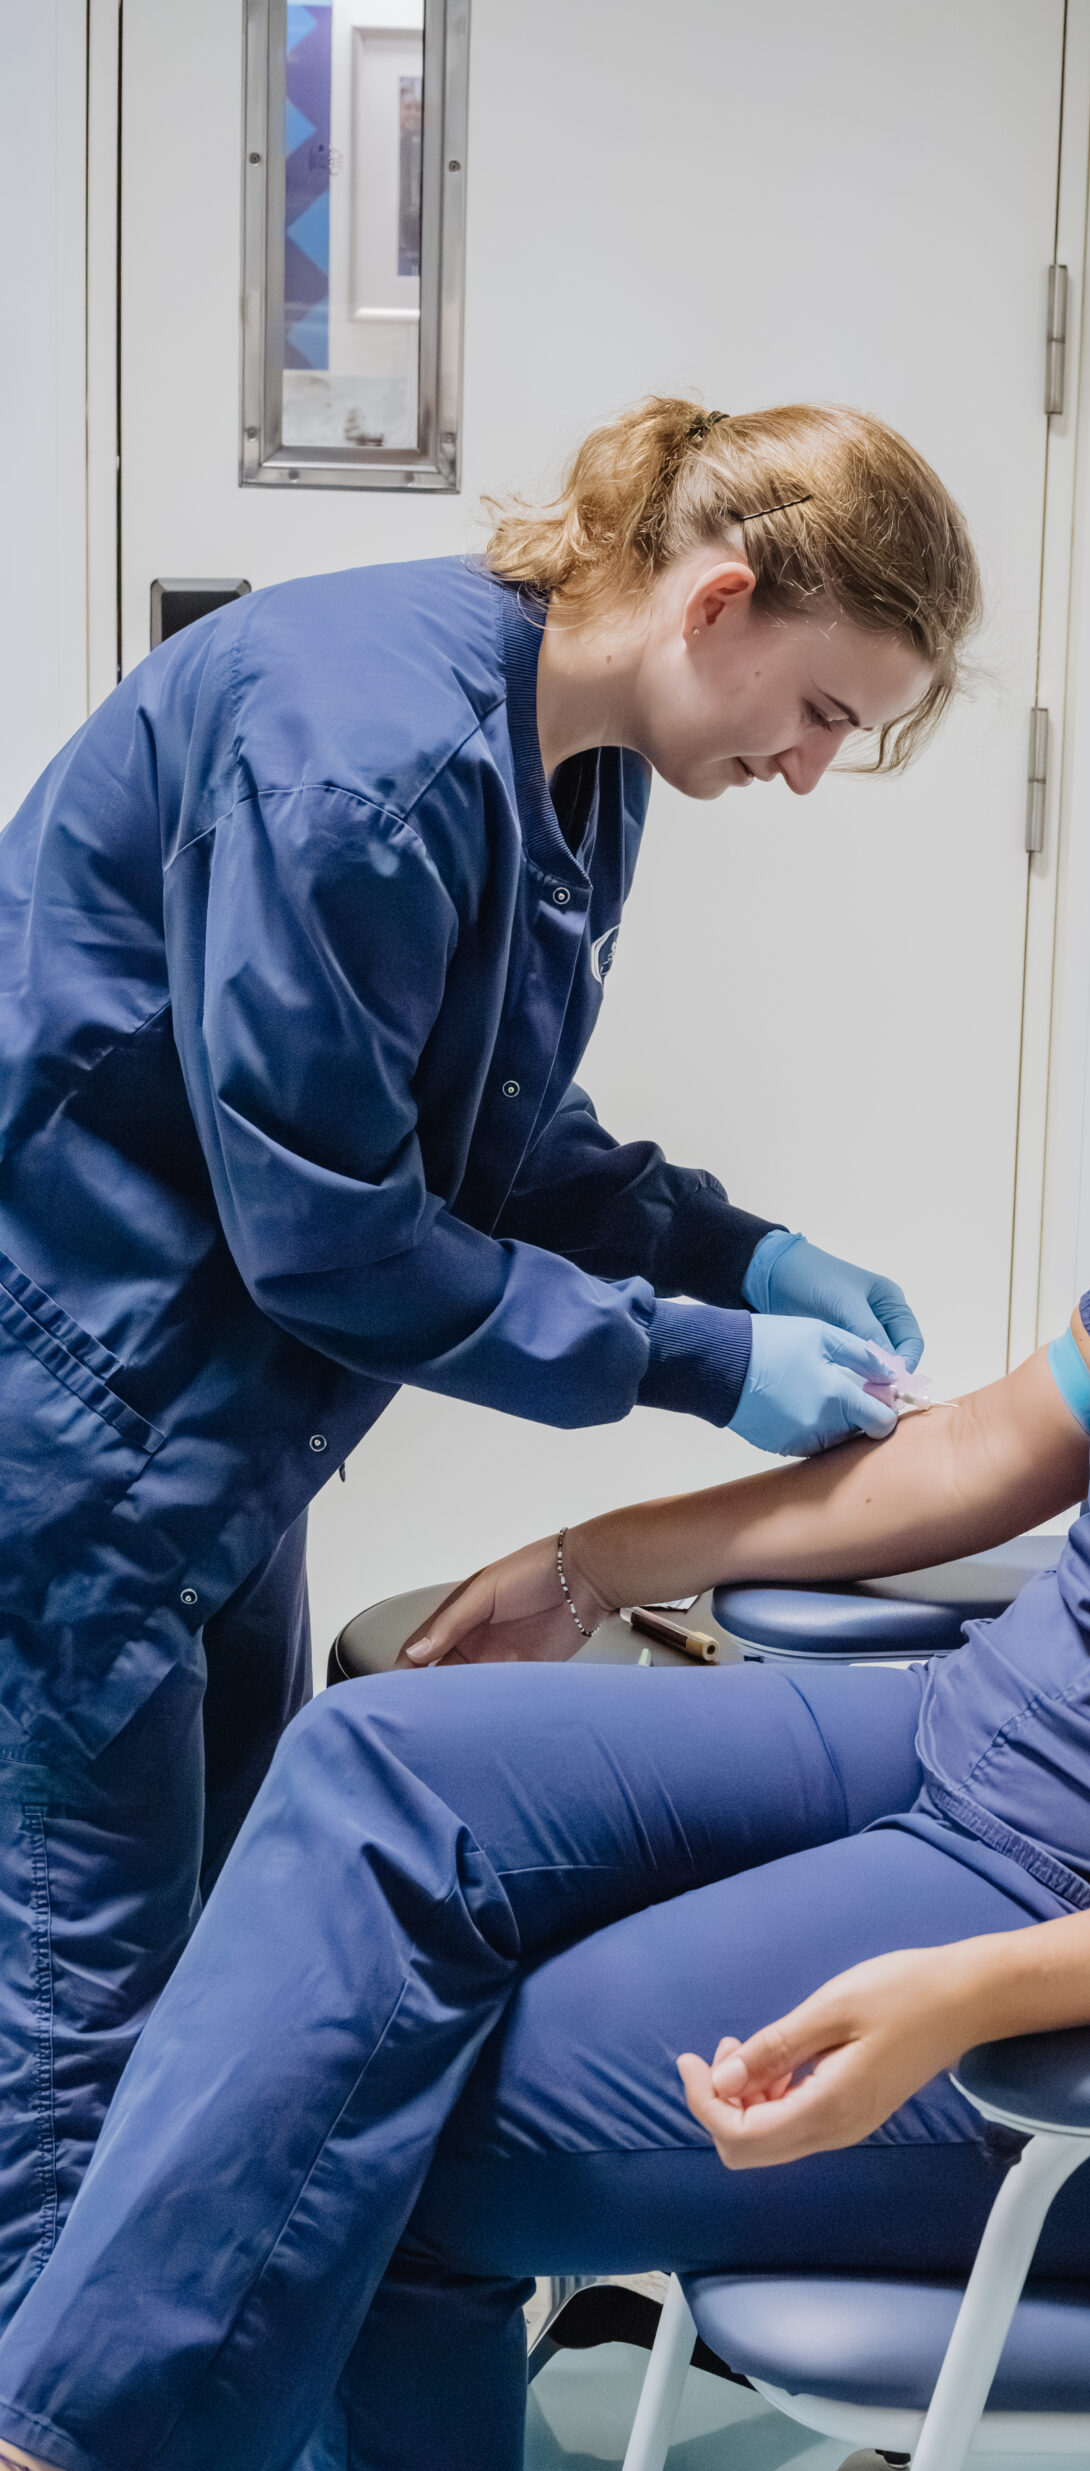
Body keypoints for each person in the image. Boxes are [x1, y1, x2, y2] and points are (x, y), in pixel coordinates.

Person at [1, 572, 1090, 2471]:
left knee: (386, 2133)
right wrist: (596, 1548)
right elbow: (994, 1443)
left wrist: (973, 1988)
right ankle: (71, 2452)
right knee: (380, 1759)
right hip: (988, 1744)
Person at [0, 397, 980, 2334]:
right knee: (89, 1976)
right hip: (81, 1408)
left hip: (202, 1429)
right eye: (820, 715)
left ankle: (157, 2437)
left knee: (214, 1946)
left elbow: (493, 1126)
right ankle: (57, 2461)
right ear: (717, 598)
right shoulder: (363, 754)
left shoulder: (576, 752)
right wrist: (702, 1356)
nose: (801, 771)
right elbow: (334, 1231)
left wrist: (731, 1243)